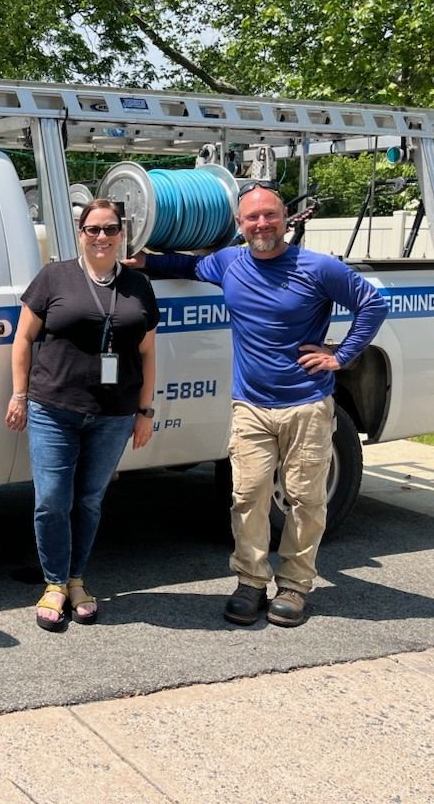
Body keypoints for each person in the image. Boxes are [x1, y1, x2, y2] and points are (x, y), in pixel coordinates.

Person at [130, 183, 387, 627]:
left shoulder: (319, 267)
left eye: (270, 215)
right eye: (252, 218)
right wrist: (142, 261)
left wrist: (341, 356)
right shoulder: (229, 262)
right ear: (239, 225)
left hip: (306, 404)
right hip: (250, 404)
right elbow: (188, 265)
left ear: (286, 218)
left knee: (305, 499)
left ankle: (294, 585)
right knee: (247, 495)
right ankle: (250, 581)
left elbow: (372, 303)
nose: (262, 224)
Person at [8, 199, 158, 632]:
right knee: (52, 499)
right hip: (54, 407)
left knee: (89, 499)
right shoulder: (54, 277)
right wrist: (19, 395)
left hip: (114, 413)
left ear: (121, 233)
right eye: (93, 229)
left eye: (110, 229)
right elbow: (23, 339)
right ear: (80, 232)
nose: (101, 237)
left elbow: (146, 353)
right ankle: (53, 582)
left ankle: (76, 580)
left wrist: (146, 410)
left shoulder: (138, 285)